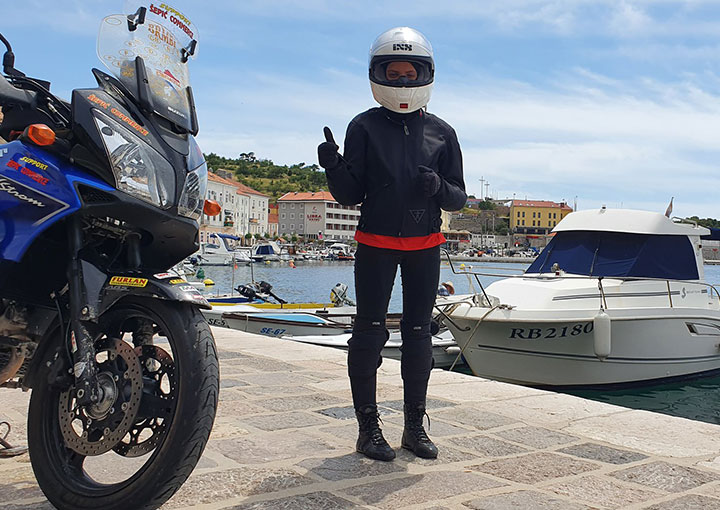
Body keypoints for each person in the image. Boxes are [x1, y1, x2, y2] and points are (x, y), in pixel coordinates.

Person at [317, 27, 467, 461]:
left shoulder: (443, 133)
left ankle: (414, 428)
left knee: (419, 335)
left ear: (425, 74)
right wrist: (333, 166)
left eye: (409, 74)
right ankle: (368, 430)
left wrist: (438, 186)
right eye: (393, 73)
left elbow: (458, 197)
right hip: (375, 244)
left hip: (425, 245)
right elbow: (350, 195)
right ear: (378, 74)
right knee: (368, 333)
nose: (402, 81)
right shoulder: (363, 126)